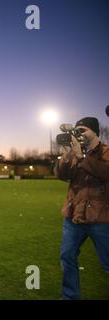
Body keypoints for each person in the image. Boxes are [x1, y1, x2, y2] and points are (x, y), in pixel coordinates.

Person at [55, 116, 109, 300]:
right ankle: (70, 296)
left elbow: (105, 173)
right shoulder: (77, 151)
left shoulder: (106, 151)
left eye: (83, 130)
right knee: (67, 257)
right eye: (76, 131)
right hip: (74, 216)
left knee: (107, 263)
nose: (79, 135)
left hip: (101, 218)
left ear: (95, 132)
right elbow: (62, 175)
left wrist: (82, 158)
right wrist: (66, 155)